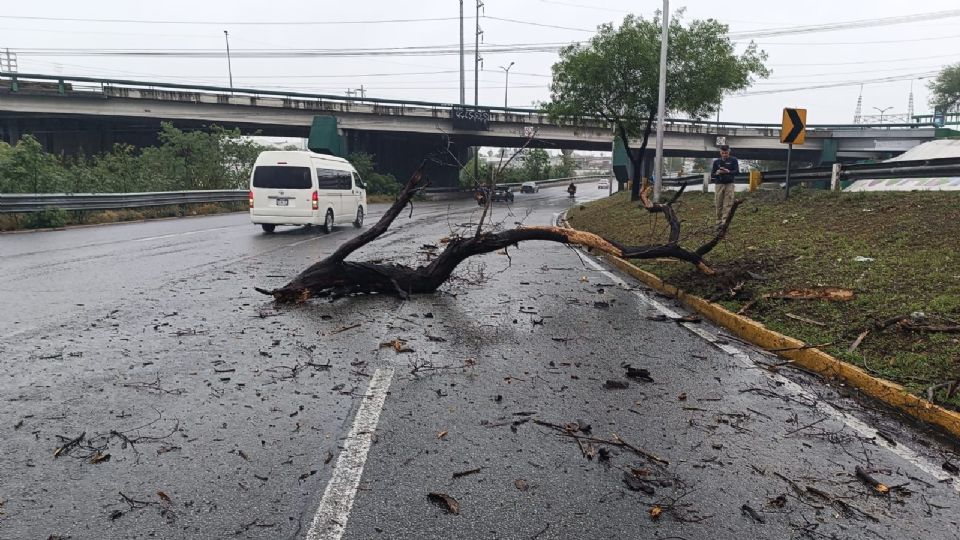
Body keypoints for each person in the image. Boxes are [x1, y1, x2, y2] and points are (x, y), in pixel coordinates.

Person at [711, 145, 739, 228]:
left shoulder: (734, 160)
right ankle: (718, 221)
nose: (724, 155)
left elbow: (737, 172)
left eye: (726, 153)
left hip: (729, 184)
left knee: (728, 203)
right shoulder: (716, 162)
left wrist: (728, 171)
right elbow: (712, 174)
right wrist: (717, 172)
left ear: (729, 152)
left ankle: (724, 222)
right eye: (722, 153)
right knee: (718, 203)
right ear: (720, 152)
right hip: (719, 184)